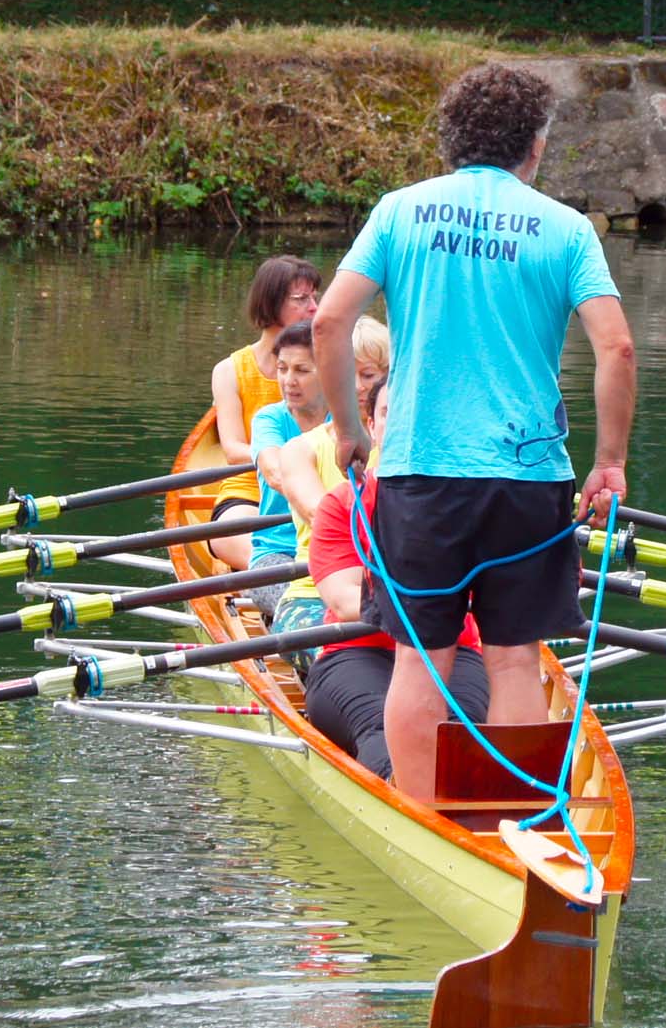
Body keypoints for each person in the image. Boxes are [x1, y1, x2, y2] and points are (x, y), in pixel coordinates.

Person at [311, 63, 637, 800]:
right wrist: (608, 461)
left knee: (418, 659)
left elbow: (329, 321)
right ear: (536, 146)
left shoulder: (399, 211)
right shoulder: (567, 229)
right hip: (528, 478)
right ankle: (508, 822)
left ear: (451, 142)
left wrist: (348, 429)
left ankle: (423, 817)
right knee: (515, 659)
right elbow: (615, 347)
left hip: (420, 473)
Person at [271, 375, 491, 779]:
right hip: (354, 652)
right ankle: (402, 804)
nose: (406, 424)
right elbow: (342, 600)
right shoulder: (343, 504)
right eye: (392, 413)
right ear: (371, 427)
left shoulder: (469, 506)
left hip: (453, 650)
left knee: (460, 734)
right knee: (379, 727)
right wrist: (437, 601)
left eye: (418, 415)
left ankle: (462, 814)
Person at [244, 315, 390, 619]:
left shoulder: (408, 448)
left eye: (368, 376)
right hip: (312, 587)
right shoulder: (300, 449)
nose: (357, 387)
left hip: (393, 587)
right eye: (347, 373)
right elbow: (325, 517)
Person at [208, 254, 322, 570]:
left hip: (319, 488)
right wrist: (294, 461)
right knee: (236, 538)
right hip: (249, 493)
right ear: (270, 305)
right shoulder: (229, 370)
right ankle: (277, 582)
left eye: (315, 297)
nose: (314, 307)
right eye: (301, 299)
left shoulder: (329, 364)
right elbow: (232, 451)